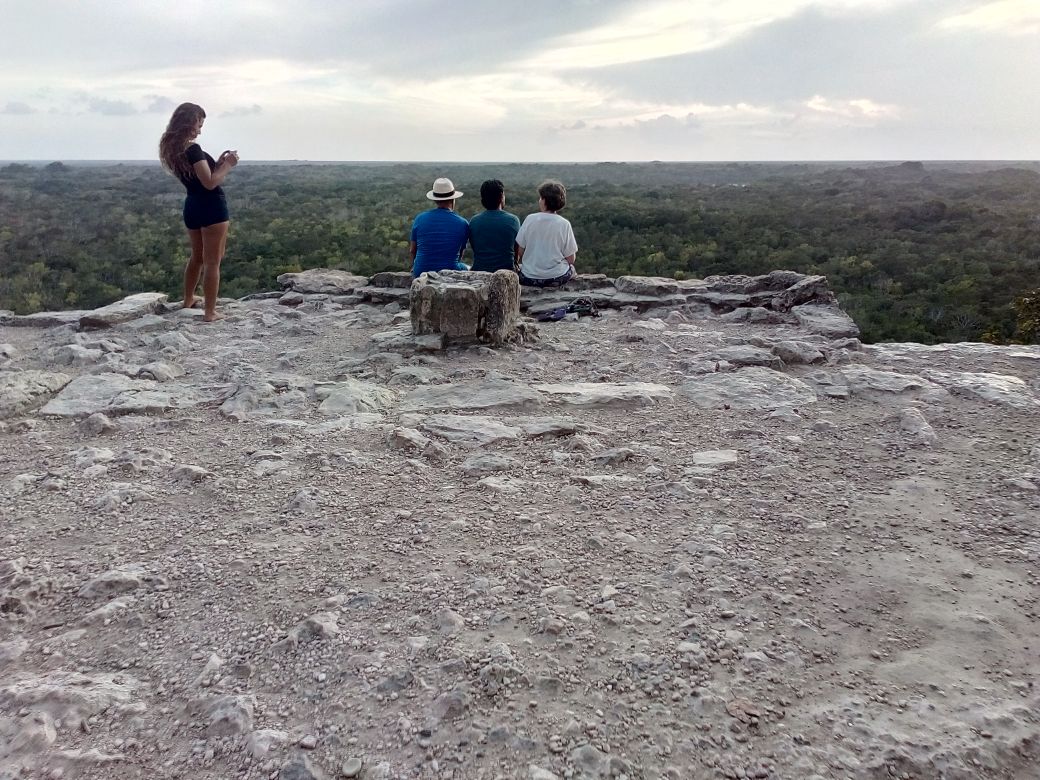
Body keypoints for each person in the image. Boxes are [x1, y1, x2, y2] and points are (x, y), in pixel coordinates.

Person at [158, 102, 239, 322]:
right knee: (213, 261)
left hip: (192, 206)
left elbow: (199, 177)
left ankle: (188, 298)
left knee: (197, 257)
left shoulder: (173, 149)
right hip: (211, 207)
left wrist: (218, 163)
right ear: (189, 122)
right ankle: (210, 312)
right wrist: (229, 165)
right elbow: (210, 183)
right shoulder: (192, 148)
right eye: (198, 124)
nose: (200, 130)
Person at [516, 180, 577, 287]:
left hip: (529, 278)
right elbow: (571, 259)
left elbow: (519, 251)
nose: (539, 200)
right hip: (556, 277)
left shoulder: (530, 219)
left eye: (540, 198)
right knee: (572, 269)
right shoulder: (564, 224)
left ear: (544, 201)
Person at [410, 178, 470, 277]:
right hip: (450, 272)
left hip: (420, 273)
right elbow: (460, 253)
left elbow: (412, 250)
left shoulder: (420, 219)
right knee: (469, 268)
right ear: (453, 199)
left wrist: (414, 267)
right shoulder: (463, 223)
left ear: (435, 200)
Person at [469, 179, 520, 273]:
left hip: (479, 271)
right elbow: (517, 250)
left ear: (482, 199)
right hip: (506, 272)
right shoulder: (513, 220)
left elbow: (474, 247)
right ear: (501, 197)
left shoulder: (474, 221)